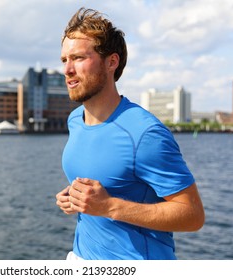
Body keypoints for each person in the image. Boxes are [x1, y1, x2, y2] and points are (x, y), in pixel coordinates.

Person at [55, 7, 205, 260]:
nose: (67, 70)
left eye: (79, 58)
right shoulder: (75, 120)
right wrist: (76, 198)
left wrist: (109, 206)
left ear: (111, 62)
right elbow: (110, 180)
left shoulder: (145, 133)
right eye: (64, 60)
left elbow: (193, 215)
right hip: (81, 259)